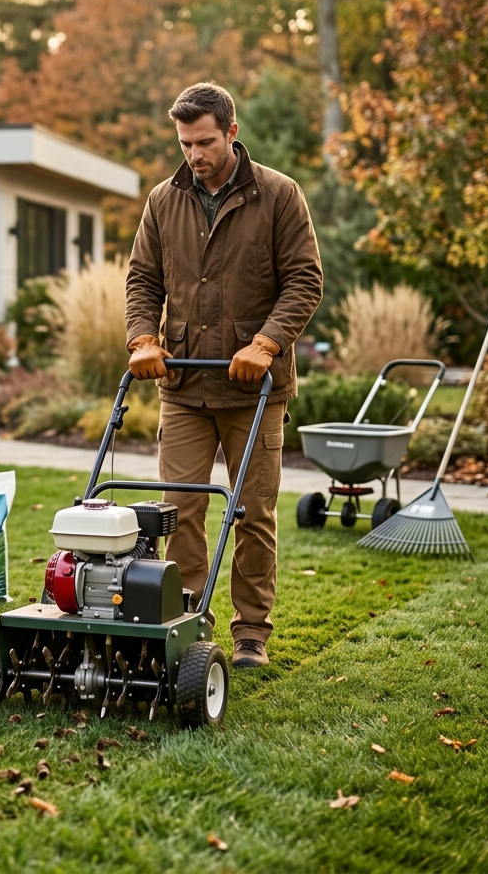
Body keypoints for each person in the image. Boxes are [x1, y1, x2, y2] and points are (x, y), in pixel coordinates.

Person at [125, 82, 323, 668]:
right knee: (179, 507)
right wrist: (142, 338)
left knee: (253, 512)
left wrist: (266, 343)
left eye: (205, 142)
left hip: (252, 388)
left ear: (232, 133)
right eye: (185, 143)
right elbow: (143, 280)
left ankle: (251, 635)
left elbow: (304, 281)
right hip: (184, 384)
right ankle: (188, 617)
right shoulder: (164, 200)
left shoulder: (280, 195)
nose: (194, 154)